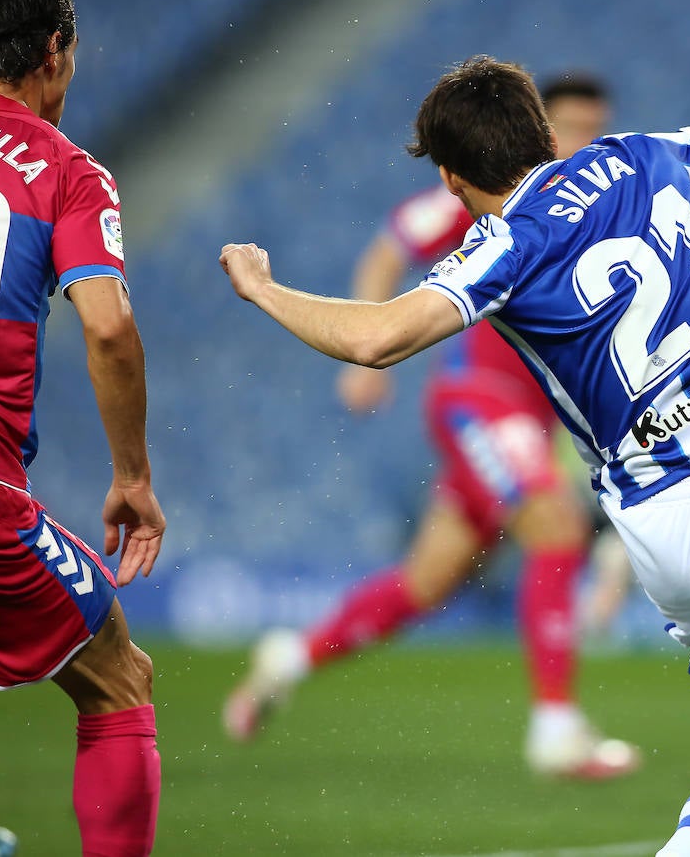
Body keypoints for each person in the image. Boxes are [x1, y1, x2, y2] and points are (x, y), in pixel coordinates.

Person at [221, 55, 690, 856]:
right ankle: (574, 727)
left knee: (436, 578)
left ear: (451, 179)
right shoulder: (638, 157)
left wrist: (264, 288)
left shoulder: (498, 241)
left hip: (654, 529)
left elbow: (377, 336)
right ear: (545, 128)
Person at [223, 75, 638, 778]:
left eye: (593, 128)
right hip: (479, 399)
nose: (581, 140)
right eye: (568, 124)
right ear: (541, 127)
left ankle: (289, 659)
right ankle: (556, 727)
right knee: (556, 523)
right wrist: (367, 364)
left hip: (529, 421)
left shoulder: (601, 202)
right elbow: (390, 247)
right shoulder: (502, 192)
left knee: (425, 585)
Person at [0, 0, 166, 855]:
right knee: (116, 678)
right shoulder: (63, 168)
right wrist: (131, 474)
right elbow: (106, 325)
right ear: (51, 51)